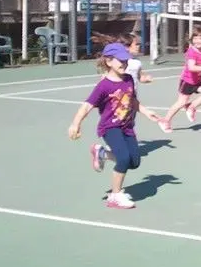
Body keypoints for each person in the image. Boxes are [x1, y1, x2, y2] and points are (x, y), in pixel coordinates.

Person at [67, 42, 162, 209]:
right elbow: (87, 105)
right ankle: (115, 196)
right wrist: (76, 124)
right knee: (124, 159)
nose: (124, 64)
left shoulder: (129, 79)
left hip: (127, 126)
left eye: (126, 61)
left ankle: (101, 153)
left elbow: (131, 100)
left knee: (134, 162)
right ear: (109, 62)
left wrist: (146, 112)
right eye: (121, 61)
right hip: (110, 127)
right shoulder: (104, 85)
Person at [159, 27, 201, 133]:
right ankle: (165, 121)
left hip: (198, 81)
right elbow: (191, 67)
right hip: (187, 81)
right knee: (180, 102)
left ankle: (191, 106)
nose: (198, 41)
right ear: (192, 39)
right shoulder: (191, 52)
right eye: (195, 38)